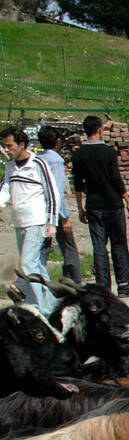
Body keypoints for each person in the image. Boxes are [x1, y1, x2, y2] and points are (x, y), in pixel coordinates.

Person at [71, 115, 129, 296]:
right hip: (113, 204)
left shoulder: (78, 154)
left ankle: (103, 288)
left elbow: (77, 183)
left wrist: (80, 208)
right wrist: (127, 201)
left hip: (93, 206)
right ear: (100, 130)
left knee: (99, 247)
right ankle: (124, 286)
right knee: (119, 244)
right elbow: (116, 179)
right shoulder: (109, 153)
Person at [0, 126, 59, 316]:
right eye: (4, 146)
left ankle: (36, 307)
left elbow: (52, 194)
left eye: (9, 146)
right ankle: (51, 305)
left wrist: (51, 223)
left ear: (21, 144)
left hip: (37, 221)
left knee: (27, 264)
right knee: (37, 265)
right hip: (19, 221)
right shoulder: (10, 167)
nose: (6, 150)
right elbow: (5, 190)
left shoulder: (38, 164)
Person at [37, 126, 80, 285]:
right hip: (54, 212)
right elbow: (58, 190)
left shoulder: (37, 159)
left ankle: (25, 284)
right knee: (69, 247)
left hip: (40, 211)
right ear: (58, 141)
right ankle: (73, 282)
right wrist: (65, 217)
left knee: (42, 248)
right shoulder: (56, 161)